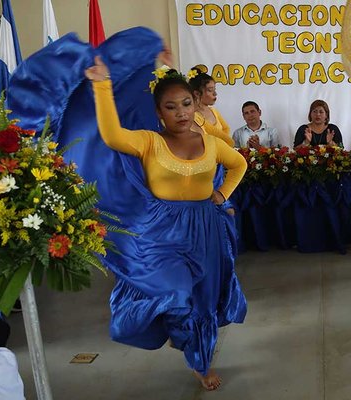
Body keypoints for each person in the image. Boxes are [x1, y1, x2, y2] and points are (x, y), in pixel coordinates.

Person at [85, 54, 248, 391]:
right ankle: (178, 332)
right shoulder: (149, 141)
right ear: (159, 113)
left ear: (196, 102)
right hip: (162, 232)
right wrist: (102, 86)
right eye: (171, 107)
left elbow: (239, 164)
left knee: (202, 300)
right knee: (176, 292)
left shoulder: (212, 143)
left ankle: (200, 363)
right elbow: (113, 135)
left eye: (187, 103)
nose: (182, 112)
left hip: (206, 228)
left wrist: (221, 195)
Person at [189, 68, 233, 146]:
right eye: (210, 90)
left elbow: (226, 128)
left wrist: (223, 145)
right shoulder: (192, 116)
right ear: (197, 93)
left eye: (214, 89)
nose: (215, 93)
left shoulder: (213, 111)